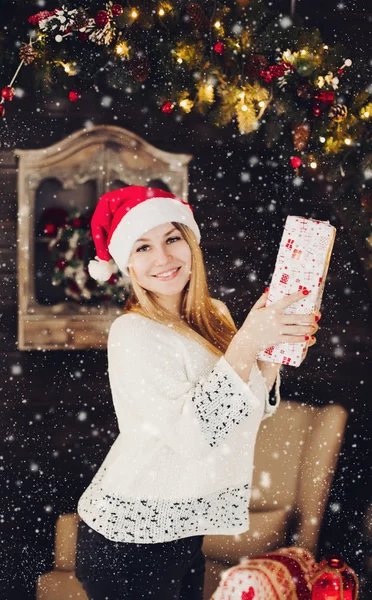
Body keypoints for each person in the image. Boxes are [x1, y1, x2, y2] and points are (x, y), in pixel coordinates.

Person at [75, 185, 320, 600]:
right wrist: (245, 344)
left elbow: (244, 412)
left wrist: (273, 346)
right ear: (127, 263)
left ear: (190, 242)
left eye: (172, 238)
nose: (163, 258)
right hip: (127, 538)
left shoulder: (214, 315)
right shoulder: (133, 332)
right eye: (143, 247)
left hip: (184, 530)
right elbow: (192, 436)